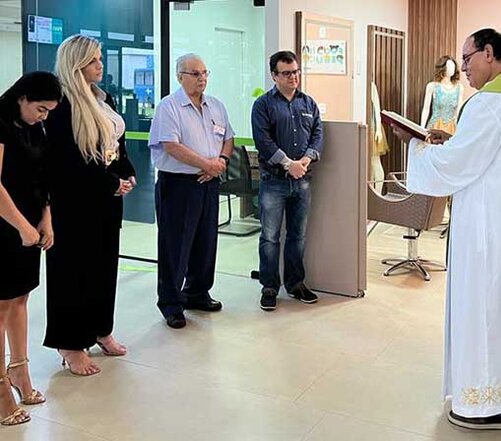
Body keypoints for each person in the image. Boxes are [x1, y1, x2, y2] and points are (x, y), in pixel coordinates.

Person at [392, 28, 501, 430]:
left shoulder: (490, 103)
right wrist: (450, 140)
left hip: (489, 233)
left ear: (488, 52)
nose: (463, 68)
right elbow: (485, 154)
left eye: (467, 59)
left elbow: (457, 167)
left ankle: (488, 405)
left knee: (487, 313)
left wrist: (415, 145)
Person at [44, 35, 136, 375]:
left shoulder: (102, 97)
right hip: (75, 204)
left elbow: (115, 144)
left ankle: (101, 329)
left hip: (106, 201)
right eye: (95, 60)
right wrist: (110, 183)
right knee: (72, 271)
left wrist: (126, 172)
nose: (101, 65)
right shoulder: (62, 104)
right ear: (78, 64)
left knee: (103, 266)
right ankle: (70, 342)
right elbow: (69, 161)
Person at [148, 53, 234, 329]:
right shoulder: (169, 107)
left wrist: (220, 162)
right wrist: (206, 163)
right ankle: (171, 303)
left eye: (205, 73)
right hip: (179, 185)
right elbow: (171, 145)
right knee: (176, 245)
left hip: (209, 182)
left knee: (205, 241)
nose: (202, 79)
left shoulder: (216, 106)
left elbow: (228, 138)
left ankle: (197, 292)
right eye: (195, 74)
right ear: (180, 76)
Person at [0, 72, 61, 426]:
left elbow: (42, 177)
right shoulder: (1, 122)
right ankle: (1, 387)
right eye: (40, 108)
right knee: (2, 304)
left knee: (20, 297)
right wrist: (21, 225)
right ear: (22, 98)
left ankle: (20, 371)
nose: (44, 116)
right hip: (5, 225)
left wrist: (45, 218)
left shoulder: (36, 127)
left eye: (49, 111)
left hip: (28, 224)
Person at [251, 50, 323, 311]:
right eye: (287, 73)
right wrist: (288, 164)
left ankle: (295, 284)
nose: (293, 77)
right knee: (270, 236)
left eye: (296, 71)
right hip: (274, 181)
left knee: (298, 236)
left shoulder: (308, 103)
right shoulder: (263, 105)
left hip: (303, 180)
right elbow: (263, 141)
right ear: (274, 76)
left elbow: (317, 133)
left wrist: (306, 159)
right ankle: (269, 286)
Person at [420, 55, 464, 134]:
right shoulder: (432, 86)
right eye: (449, 66)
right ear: (443, 68)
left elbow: (459, 111)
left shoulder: (459, 88)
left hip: (452, 128)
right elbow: (426, 109)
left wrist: (460, 130)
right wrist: (421, 128)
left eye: (453, 66)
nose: (452, 69)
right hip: (435, 126)